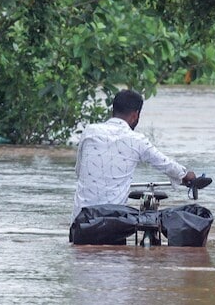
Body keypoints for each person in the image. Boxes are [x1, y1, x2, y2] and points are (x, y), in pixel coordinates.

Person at [71, 89, 198, 224]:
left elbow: (79, 171)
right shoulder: (137, 140)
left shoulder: (89, 131)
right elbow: (166, 164)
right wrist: (185, 175)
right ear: (135, 115)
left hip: (80, 221)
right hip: (111, 222)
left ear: (112, 111)